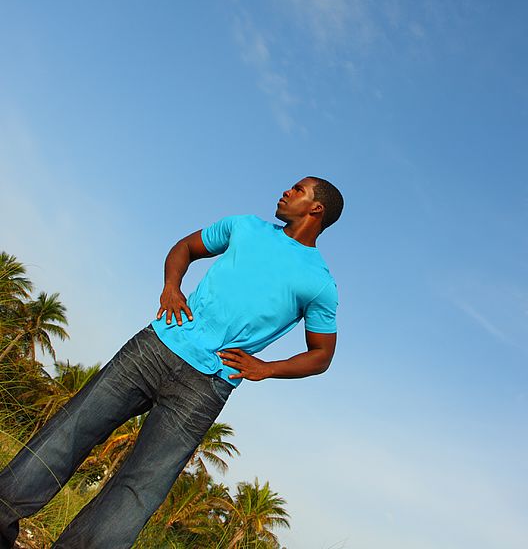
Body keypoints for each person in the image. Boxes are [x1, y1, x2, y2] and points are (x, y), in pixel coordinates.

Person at [0, 176, 343, 548]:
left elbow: (321, 354)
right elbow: (185, 247)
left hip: (206, 386)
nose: (286, 191)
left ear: (316, 208)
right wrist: (171, 286)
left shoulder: (320, 284)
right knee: (70, 432)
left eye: (297, 190)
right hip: (155, 347)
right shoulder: (244, 226)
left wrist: (266, 368)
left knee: (139, 488)